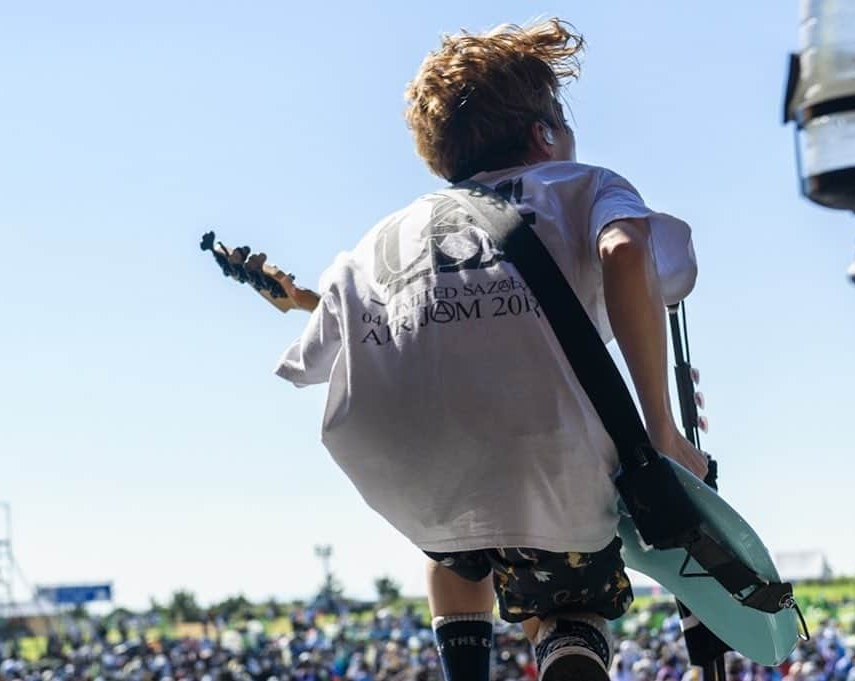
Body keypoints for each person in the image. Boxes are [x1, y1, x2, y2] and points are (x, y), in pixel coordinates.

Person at [271, 17, 707, 681]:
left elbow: (339, 342)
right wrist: (661, 434)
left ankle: (465, 665)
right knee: (570, 585)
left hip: (405, 463)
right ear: (543, 134)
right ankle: (568, 633)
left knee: (454, 540)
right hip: (536, 445)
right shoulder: (580, 183)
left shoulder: (384, 233)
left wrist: (304, 301)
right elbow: (627, 252)